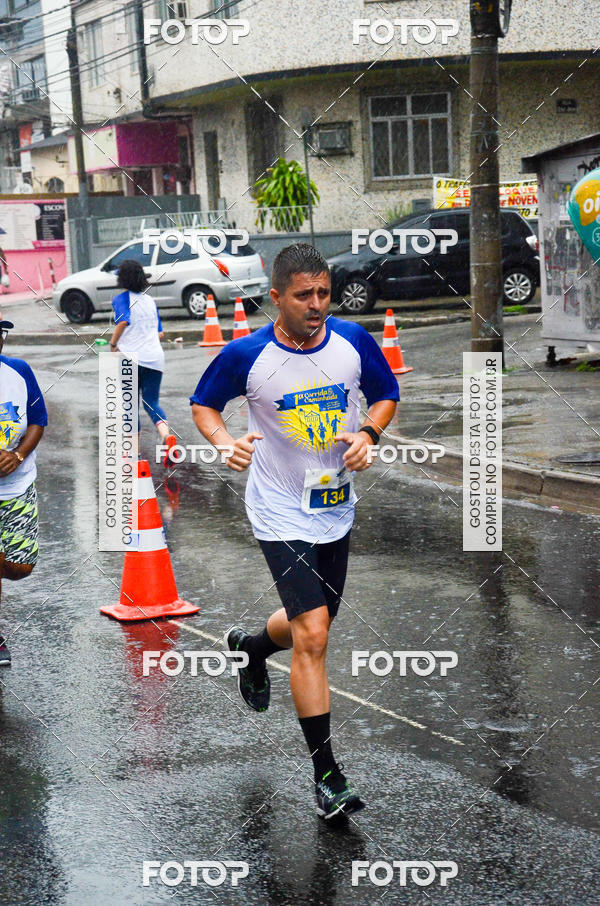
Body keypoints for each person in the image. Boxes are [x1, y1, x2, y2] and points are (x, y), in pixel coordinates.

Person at [190, 243, 399, 819]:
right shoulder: (246, 355)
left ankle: (252, 648)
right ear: (276, 296)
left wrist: (369, 435)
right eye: (304, 295)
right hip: (278, 510)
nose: (317, 304)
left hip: (335, 505)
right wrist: (224, 443)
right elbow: (204, 404)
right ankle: (327, 776)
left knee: (318, 619)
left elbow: (386, 396)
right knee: (313, 634)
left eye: (324, 293)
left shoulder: (353, 341)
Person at [0, 319, 47, 666]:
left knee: (19, 566)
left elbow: (37, 420)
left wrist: (17, 455)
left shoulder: (18, 372)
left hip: (16, 485)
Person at [109, 259, 177, 466]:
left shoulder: (121, 299)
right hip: (155, 358)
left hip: (131, 358)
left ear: (122, 279)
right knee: (151, 402)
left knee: (130, 406)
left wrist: (113, 344)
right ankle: (166, 436)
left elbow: (123, 320)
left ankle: (133, 455)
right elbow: (161, 333)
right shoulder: (149, 301)